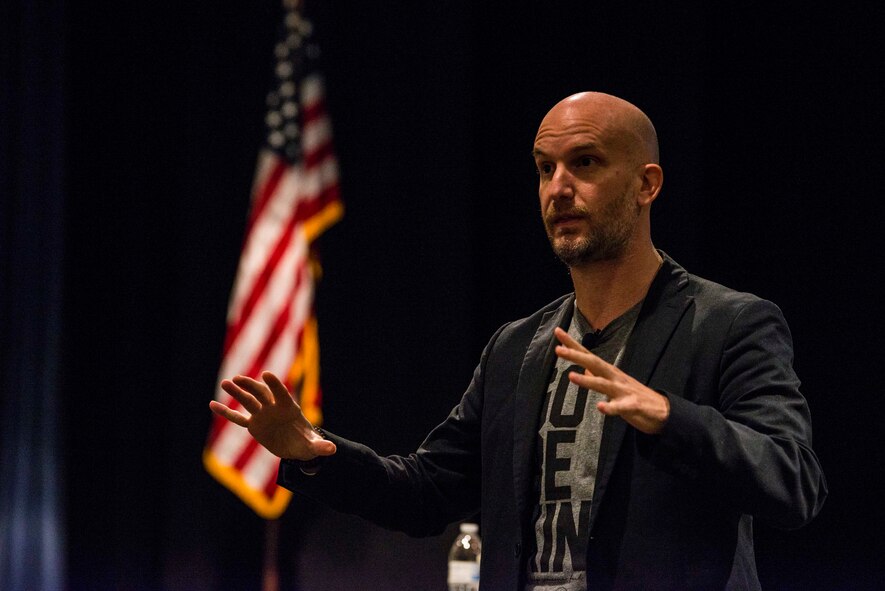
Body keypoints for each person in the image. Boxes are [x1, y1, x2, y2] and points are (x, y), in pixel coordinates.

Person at [210, 92, 828, 590]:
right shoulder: (517, 348)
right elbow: (426, 492)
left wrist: (670, 416)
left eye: (584, 162)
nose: (558, 187)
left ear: (647, 184)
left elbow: (792, 482)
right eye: (544, 169)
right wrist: (313, 451)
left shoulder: (730, 324)